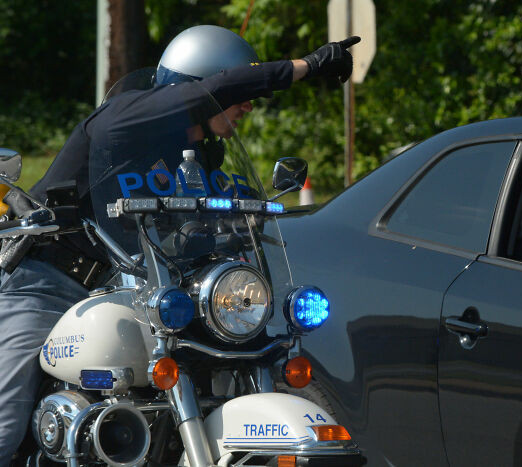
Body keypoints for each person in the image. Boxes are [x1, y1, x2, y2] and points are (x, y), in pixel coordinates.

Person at [1, 24, 359, 464]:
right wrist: (304, 67)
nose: (246, 104)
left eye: (248, 94)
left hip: (143, 292)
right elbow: (222, 88)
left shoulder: (202, 160)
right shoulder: (123, 119)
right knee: (4, 427)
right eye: (239, 93)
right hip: (49, 285)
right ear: (194, 91)